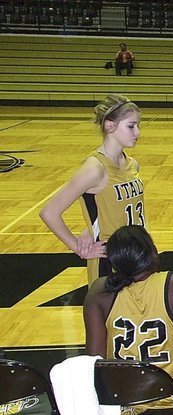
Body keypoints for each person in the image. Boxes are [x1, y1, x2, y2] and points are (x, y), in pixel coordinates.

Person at [83, 225, 173, 414]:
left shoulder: (99, 291)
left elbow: (95, 360)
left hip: (126, 397)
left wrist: (98, 411)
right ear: (153, 253)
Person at [40, 94, 144, 285]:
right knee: (109, 315)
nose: (137, 132)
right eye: (131, 126)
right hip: (110, 261)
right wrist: (79, 248)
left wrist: (89, 229)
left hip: (138, 253)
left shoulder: (132, 165)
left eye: (138, 125)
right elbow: (49, 212)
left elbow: (110, 207)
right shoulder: (94, 168)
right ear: (109, 125)